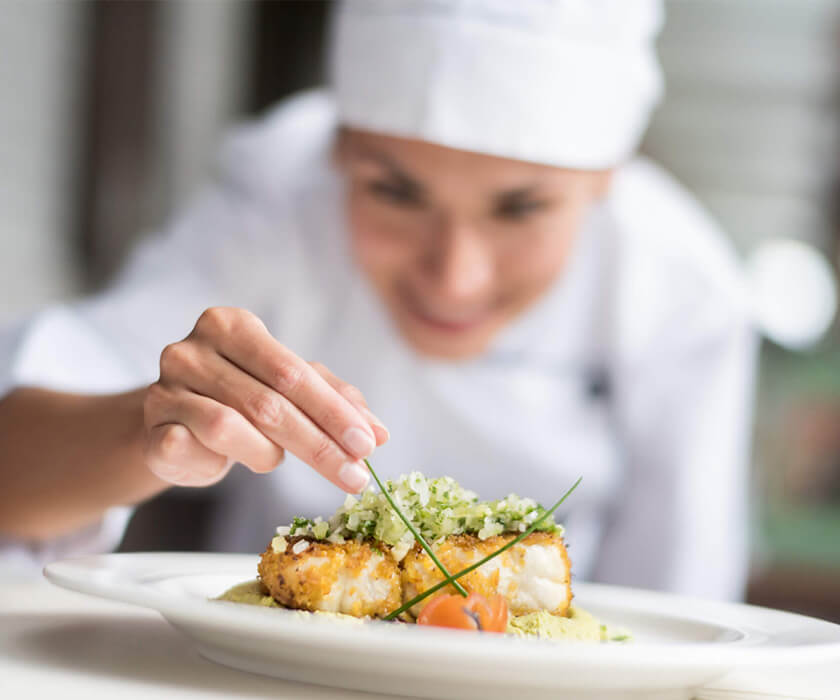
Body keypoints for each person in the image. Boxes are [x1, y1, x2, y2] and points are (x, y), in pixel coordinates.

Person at [0, 0, 756, 599]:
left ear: (605, 180)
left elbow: (683, 603)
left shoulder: (680, 287)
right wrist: (150, 430)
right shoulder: (279, 198)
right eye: (394, 191)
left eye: (520, 209)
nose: (455, 277)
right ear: (339, 155)